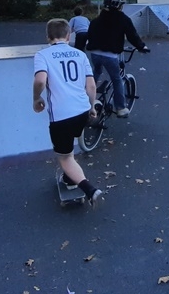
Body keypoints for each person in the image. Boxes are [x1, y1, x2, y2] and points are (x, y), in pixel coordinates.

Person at [32, 18, 104, 208]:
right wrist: (91, 107)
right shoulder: (80, 54)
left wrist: (36, 98)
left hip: (61, 116)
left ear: (48, 37)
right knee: (69, 147)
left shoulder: (43, 55)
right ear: (68, 35)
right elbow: (91, 85)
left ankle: (89, 189)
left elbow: (40, 81)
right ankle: (70, 179)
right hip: (81, 111)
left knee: (65, 157)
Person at [84, 0, 150, 118]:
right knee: (116, 79)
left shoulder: (96, 20)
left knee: (95, 73)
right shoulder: (123, 19)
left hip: (94, 54)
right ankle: (120, 108)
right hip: (110, 55)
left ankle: (86, 98)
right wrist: (142, 46)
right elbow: (132, 36)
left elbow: (90, 35)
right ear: (120, 5)